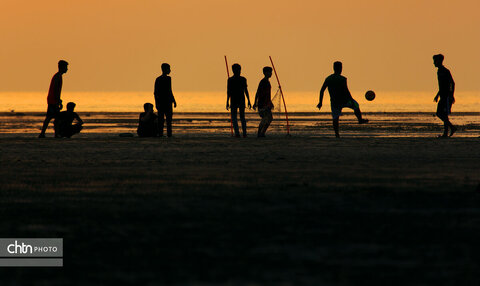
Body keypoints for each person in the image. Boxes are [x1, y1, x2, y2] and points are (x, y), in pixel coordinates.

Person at [317, 61, 368, 138]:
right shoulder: (342, 79)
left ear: (333, 68)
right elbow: (346, 90)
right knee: (356, 105)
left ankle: (337, 134)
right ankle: (360, 120)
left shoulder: (328, 78)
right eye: (341, 68)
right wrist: (351, 99)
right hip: (344, 100)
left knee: (335, 118)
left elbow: (322, 90)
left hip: (335, 101)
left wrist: (320, 102)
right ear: (340, 68)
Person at [39, 60, 69, 138]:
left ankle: (46, 133)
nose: (67, 69)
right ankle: (51, 134)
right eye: (66, 67)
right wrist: (58, 100)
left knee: (52, 117)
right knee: (54, 118)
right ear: (62, 67)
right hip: (53, 100)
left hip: (52, 99)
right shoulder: (57, 76)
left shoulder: (58, 76)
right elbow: (56, 90)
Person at [433, 54, 456, 138]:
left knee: (443, 113)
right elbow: (442, 86)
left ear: (439, 61)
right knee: (439, 113)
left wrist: (451, 95)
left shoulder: (445, 71)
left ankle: (447, 132)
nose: (434, 63)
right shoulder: (439, 71)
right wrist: (437, 95)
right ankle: (451, 128)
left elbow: (452, 83)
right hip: (442, 96)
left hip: (447, 96)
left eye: (435, 61)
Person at [227, 63, 252, 137]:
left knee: (237, 117)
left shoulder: (236, 79)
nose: (238, 71)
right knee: (239, 117)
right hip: (237, 99)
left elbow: (245, 90)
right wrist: (227, 101)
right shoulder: (232, 79)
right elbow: (229, 91)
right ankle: (240, 133)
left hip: (238, 99)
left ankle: (240, 133)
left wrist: (249, 100)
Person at [154, 63, 177, 137]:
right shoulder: (160, 79)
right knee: (163, 120)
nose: (170, 70)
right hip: (163, 102)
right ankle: (162, 134)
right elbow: (156, 93)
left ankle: (167, 134)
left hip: (166, 102)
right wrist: (157, 103)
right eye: (169, 69)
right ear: (165, 69)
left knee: (167, 120)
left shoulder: (167, 78)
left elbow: (169, 90)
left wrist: (174, 100)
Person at [253, 67, 274, 137]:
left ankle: (262, 132)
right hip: (262, 103)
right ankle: (259, 133)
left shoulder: (267, 82)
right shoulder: (263, 82)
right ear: (265, 73)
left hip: (267, 103)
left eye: (271, 72)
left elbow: (268, 94)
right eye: (269, 72)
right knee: (265, 118)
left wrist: (270, 102)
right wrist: (255, 102)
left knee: (270, 118)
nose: (270, 73)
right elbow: (258, 92)